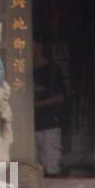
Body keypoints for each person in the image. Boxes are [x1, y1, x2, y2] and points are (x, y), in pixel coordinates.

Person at [32, 40, 66, 177]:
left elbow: (60, 97)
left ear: (40, 46)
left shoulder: (53, 69)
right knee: (33, 169)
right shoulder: (26, 69)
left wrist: (38, 105)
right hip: (31, 126)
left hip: (50, 123)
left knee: (51, 166)